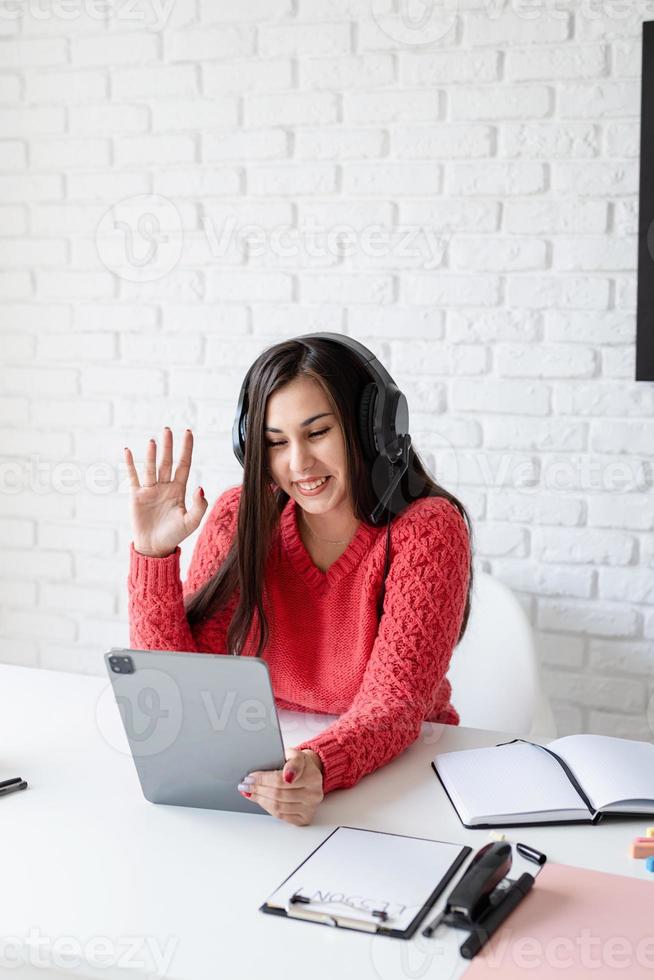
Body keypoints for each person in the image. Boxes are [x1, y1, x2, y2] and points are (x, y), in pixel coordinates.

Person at [125, 335, 473, 827]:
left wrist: (317, 765)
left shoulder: (427, 529)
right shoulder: (243, 517)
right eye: (275, 442)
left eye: (317, 433)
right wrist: (154, 554)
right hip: (271, 763)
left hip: (402, 773)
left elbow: (396, 702)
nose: (298, 464)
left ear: (374, 429)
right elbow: (180, 688)